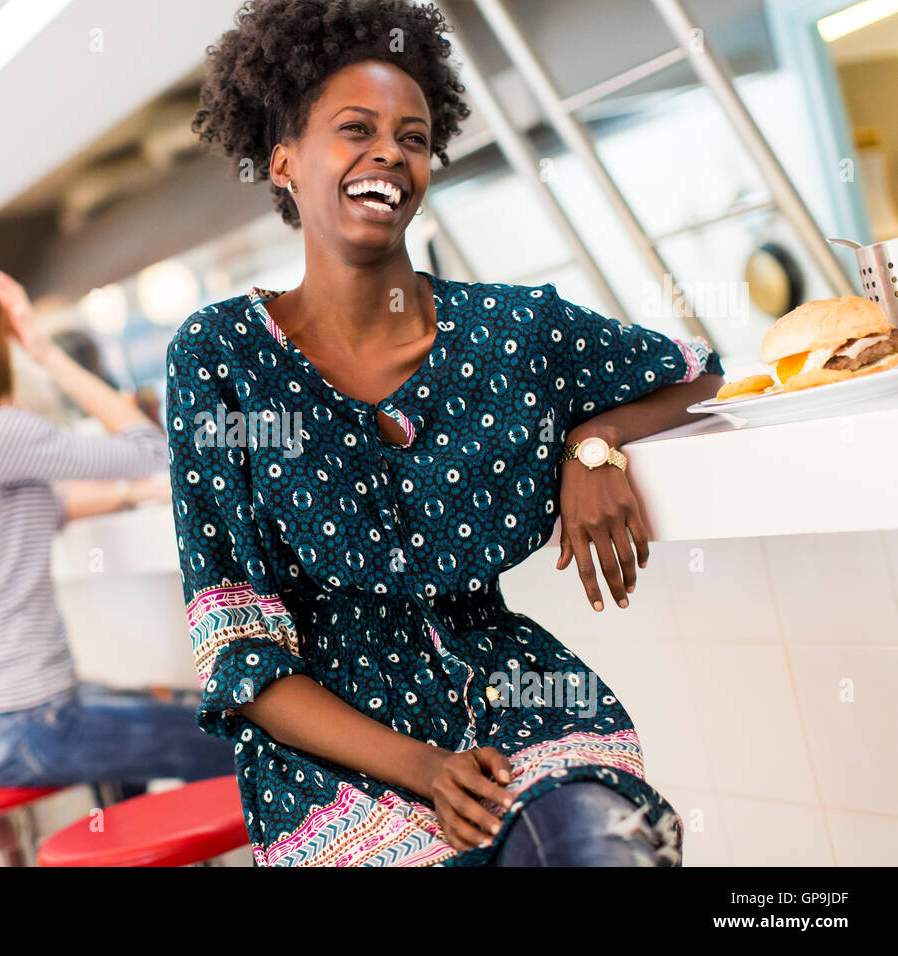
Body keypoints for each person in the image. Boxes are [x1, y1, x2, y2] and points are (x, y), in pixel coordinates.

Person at [169, 0, 725, 867]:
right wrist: (425, 769)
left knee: (604, 853)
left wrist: (595, 441)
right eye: (355, 128)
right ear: (283, 161)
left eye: (414, 137)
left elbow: (697, 375)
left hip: (525, 720)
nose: (389, 151)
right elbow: (240, 653)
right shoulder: (220, 358)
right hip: (333, 768)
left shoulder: (508, 330)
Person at [0, 250, 233, 789]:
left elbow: (27, 513)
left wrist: (127, 495)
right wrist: (43, 349)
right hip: (27, 724)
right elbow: (150, 447)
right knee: (245, 740)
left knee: (169, 703)